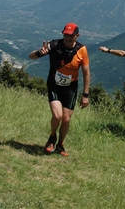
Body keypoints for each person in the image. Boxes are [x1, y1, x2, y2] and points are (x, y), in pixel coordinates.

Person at [29, 22, 91, 157]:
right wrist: (40, 53)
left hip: (71, 88)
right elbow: (31, 56)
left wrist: (85, 94)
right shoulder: (54, 45)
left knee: (66, 119)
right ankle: (52, 137)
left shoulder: (82, 49)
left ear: (77, 36)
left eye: (71, 36)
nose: (67, 38)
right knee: (57, 115)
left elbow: (86, 73)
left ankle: (60, 144)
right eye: (65, 35)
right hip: (54, 85)